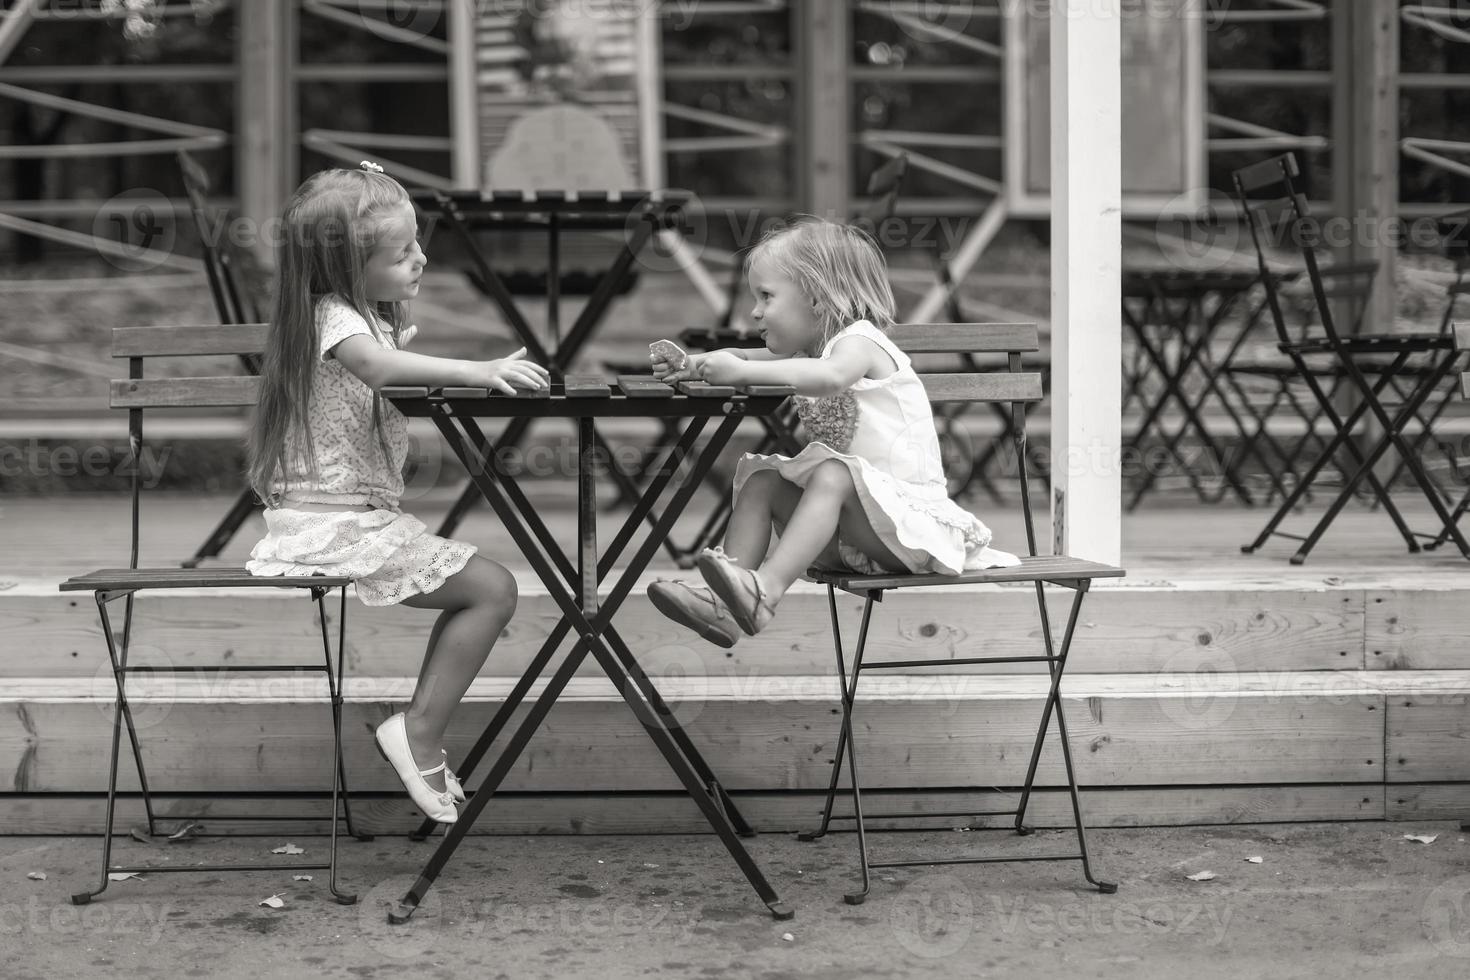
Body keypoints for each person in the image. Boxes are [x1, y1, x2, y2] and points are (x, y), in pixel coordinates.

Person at [245, 163, 550, 824]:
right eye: (402, 251)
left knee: (491, 588)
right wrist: (479, 370)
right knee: (494, 590)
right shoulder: (333, 318)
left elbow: (383, 356)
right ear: (346, 266)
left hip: (345, 515)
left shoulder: (353, 315)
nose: (422, 258)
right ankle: (418, 733)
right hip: (335, 524)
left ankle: (418, 730)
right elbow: (376, 367)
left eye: (417, 243)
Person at [645, 218, 1018, 649]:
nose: (755, 312)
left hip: (909, 532)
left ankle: (764, 592)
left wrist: (745, 372)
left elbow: (832, 376)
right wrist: (694, 364)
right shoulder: (809, 351)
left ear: (819, 297)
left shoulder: (859, 342)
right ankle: (724, 608)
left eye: (766, 296)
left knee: (834, 474)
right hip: (854, 535)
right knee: (763, 481)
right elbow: (740, 353)